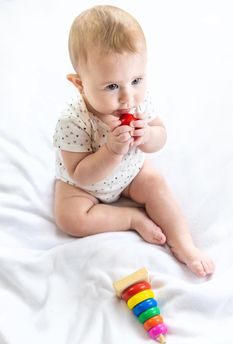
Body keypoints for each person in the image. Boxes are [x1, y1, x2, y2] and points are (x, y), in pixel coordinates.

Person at [53, 5, 215, 277]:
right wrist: (111, 152)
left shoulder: (138, 103)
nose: (128, 97)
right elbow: (80, 174)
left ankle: (184, 244)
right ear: (80, 84)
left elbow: (160, 135)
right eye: (112, 86)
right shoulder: (73, 120)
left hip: (131, 174)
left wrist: (148, 136)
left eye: (137, 80)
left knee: (156, 183)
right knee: (69, 218)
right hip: (83, 189)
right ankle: (130, 218)